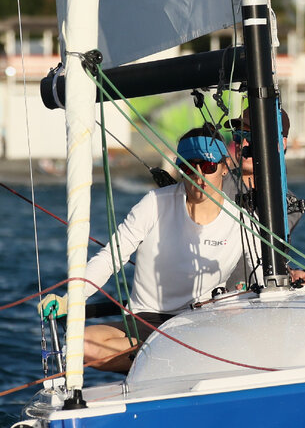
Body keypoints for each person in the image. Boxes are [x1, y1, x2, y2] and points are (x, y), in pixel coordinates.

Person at [40, 125, 246, 373]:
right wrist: (71, 299)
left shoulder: (241, 221)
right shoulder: (155, 203)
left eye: (209, 166)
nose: (199, 176)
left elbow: (267, 267)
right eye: (190, 167)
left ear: (225, 167)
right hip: (145, 319)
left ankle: (160, 361)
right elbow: (110, 258)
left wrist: (294, 274)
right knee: (80, 346)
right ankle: (165, 361)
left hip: (198, 322)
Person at [226, 107, 305, 288]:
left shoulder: (290, 203)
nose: (242, 142)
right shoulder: (214, 187)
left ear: (281, 143)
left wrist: (290, 273)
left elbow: (265, 252)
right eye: (239, 135)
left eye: (251, 136)